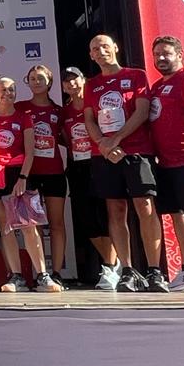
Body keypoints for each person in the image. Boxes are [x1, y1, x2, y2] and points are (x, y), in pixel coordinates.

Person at [83, 34, 166, 293]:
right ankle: (128, 271)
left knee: (145, 207)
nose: (101, 51)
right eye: (95, 49)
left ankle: (154, 270)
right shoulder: (91, 85)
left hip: (136, 151)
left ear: (115, 48)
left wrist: (116, 139)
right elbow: (89, 120)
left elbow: (142, 111)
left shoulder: (136, 75)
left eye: (105, 46)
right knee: (116, 210)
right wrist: (103, 144)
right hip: (106, 156)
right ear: (91, 55)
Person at [0, 77, 62, 292]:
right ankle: (16, 276)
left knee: (29, 226)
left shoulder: (24, 117)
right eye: (3, 90)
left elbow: (30, 152)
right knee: (6, 226)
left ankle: (42, 275)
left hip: (20, 174)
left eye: (11, 90)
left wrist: (22, 177)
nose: (7, 94)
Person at [148, 36, 184, 290]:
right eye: (157, 54)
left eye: (166, 53)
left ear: (179, 54)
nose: (161, 58)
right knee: (179, 214)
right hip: (166, 163)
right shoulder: (157, 86)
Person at [61, 66, 116, 287]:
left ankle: (110, 266)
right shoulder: (64, 112)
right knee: (87, 219)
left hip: (99, 162)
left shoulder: (95, 104)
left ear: (84, 80)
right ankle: (112, 264)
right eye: (67, 81)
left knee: (105, 216)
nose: (71, 84)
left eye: (75, 79)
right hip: (77, 167)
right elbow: (65, 139)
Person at [17, 65, 67, 289]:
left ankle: (57, 272)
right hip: (30, 174)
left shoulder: (58, 111)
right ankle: (41, 273)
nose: (36, 82)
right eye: (32, 78)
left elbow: (67, 138)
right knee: (33, 225)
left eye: (41, 78)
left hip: (55, 171)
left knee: (57, 223)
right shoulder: (21, 108)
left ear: (49, 82)